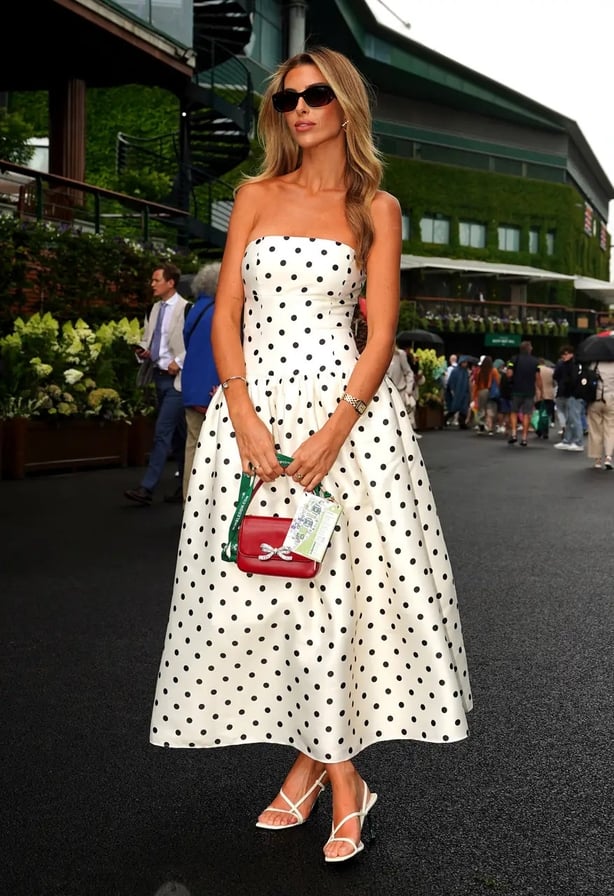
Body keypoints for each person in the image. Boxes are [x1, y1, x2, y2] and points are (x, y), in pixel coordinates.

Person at [149, 46, 472, 865]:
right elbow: (226, 314)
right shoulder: (253, 194)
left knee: (336, 599)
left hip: (349, 427)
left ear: (345, 105)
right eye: (286, 99)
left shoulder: (378, 207)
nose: (299, 109)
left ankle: (331, 784)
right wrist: (243, 413)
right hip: (252, 419)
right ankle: (335, 780)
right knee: (270, 595)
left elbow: (383, 332)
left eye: (316, 95)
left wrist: (337, 428)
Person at [124, 263, 189, 505]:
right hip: (158, 376)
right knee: (179, 437)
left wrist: (179, 361)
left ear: (170, 282)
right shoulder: (154, 308)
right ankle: (185, 488)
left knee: (162, 431)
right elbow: (149, 338)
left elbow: (194, 340)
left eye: (156, 280)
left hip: (177, 381)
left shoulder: (185, 308)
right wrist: (143, 351)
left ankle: (147, 488)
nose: (152, 284)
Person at [180, 261, 221, 500]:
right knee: (214, 449)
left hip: (191, 386)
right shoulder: (221, 313)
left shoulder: (196, 309)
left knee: (192, 446)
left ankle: (188, 502)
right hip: (212, 389)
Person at [506, 341, 542, 447]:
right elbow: (538, 377)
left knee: (514, 412)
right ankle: (525, 438)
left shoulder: (513, 359)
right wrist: (540, 390)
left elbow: (509, 374)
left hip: (516, 389)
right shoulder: (536, 362)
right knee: (527, 414)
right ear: (529, 349)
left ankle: (513, 434)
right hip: (529, 391)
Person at [552, 345, 584, 452]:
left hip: (572, 393)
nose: (564, 356)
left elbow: (558, 377)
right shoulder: (574, 364)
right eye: (562, 354)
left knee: (574, 418)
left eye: (566, 354)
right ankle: (568, 440)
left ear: (571, 353)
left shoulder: (571, 365)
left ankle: (578, 442)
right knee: (571, 419)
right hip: (571, 393)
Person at [586, 361, 614, 469]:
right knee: (610, 428)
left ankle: (597, 459)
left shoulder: (594, 364)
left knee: (595, 429)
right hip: (611, 399)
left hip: (595, 399)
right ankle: (608, 457)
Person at [471, 355, 499, 435]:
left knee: (481, 409)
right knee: (490, 409)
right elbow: (498, 382)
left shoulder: (480, 371)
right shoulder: (494, 370)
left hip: (481, 391)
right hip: (491, 391)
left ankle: (481, 426)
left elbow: (476, 383)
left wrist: (474, 394)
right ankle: (490, 428)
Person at [444, 356, 471, 428]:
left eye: (466, 362)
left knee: (464, 408)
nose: (465, 364)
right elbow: (451, 382)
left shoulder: (465, 371)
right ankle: (444, 419)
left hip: (464, 392)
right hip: (457, 392)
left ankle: (462, 423)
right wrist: (452, 390)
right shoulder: (455, 371)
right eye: (464, 362)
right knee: (454, 408)